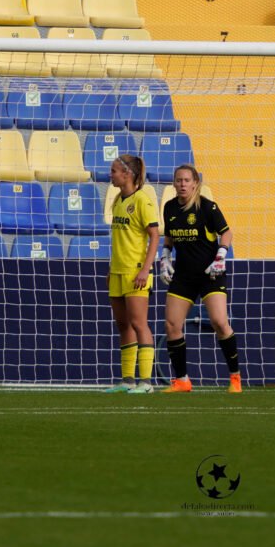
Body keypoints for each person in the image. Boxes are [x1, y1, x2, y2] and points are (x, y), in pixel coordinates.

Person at [158, 165, 241, 393]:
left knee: (219, 322)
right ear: (174, 184)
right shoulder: (169, 208)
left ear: (195, 183)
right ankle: (182, 380)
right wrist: (165, 257)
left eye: (186, 180)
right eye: (178, 180)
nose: (182, 184)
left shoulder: (207, 207)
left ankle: (235, 377)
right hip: (184, 275)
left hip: (210, 274)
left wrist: (221, 255)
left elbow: (227, 232)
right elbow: (170, 237)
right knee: (172, 325)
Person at [105, 154, 160, 394]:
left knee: (139, 323)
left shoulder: (142, 200)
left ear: (127, 174)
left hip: (136, 271)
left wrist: (146, 268)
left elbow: (155, 235)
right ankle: (127, 380)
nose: (111, 175)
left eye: (115, 170)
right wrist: (110, 268)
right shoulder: (118, 199)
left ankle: (146, 382)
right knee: (123, 324)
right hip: (117, 271)